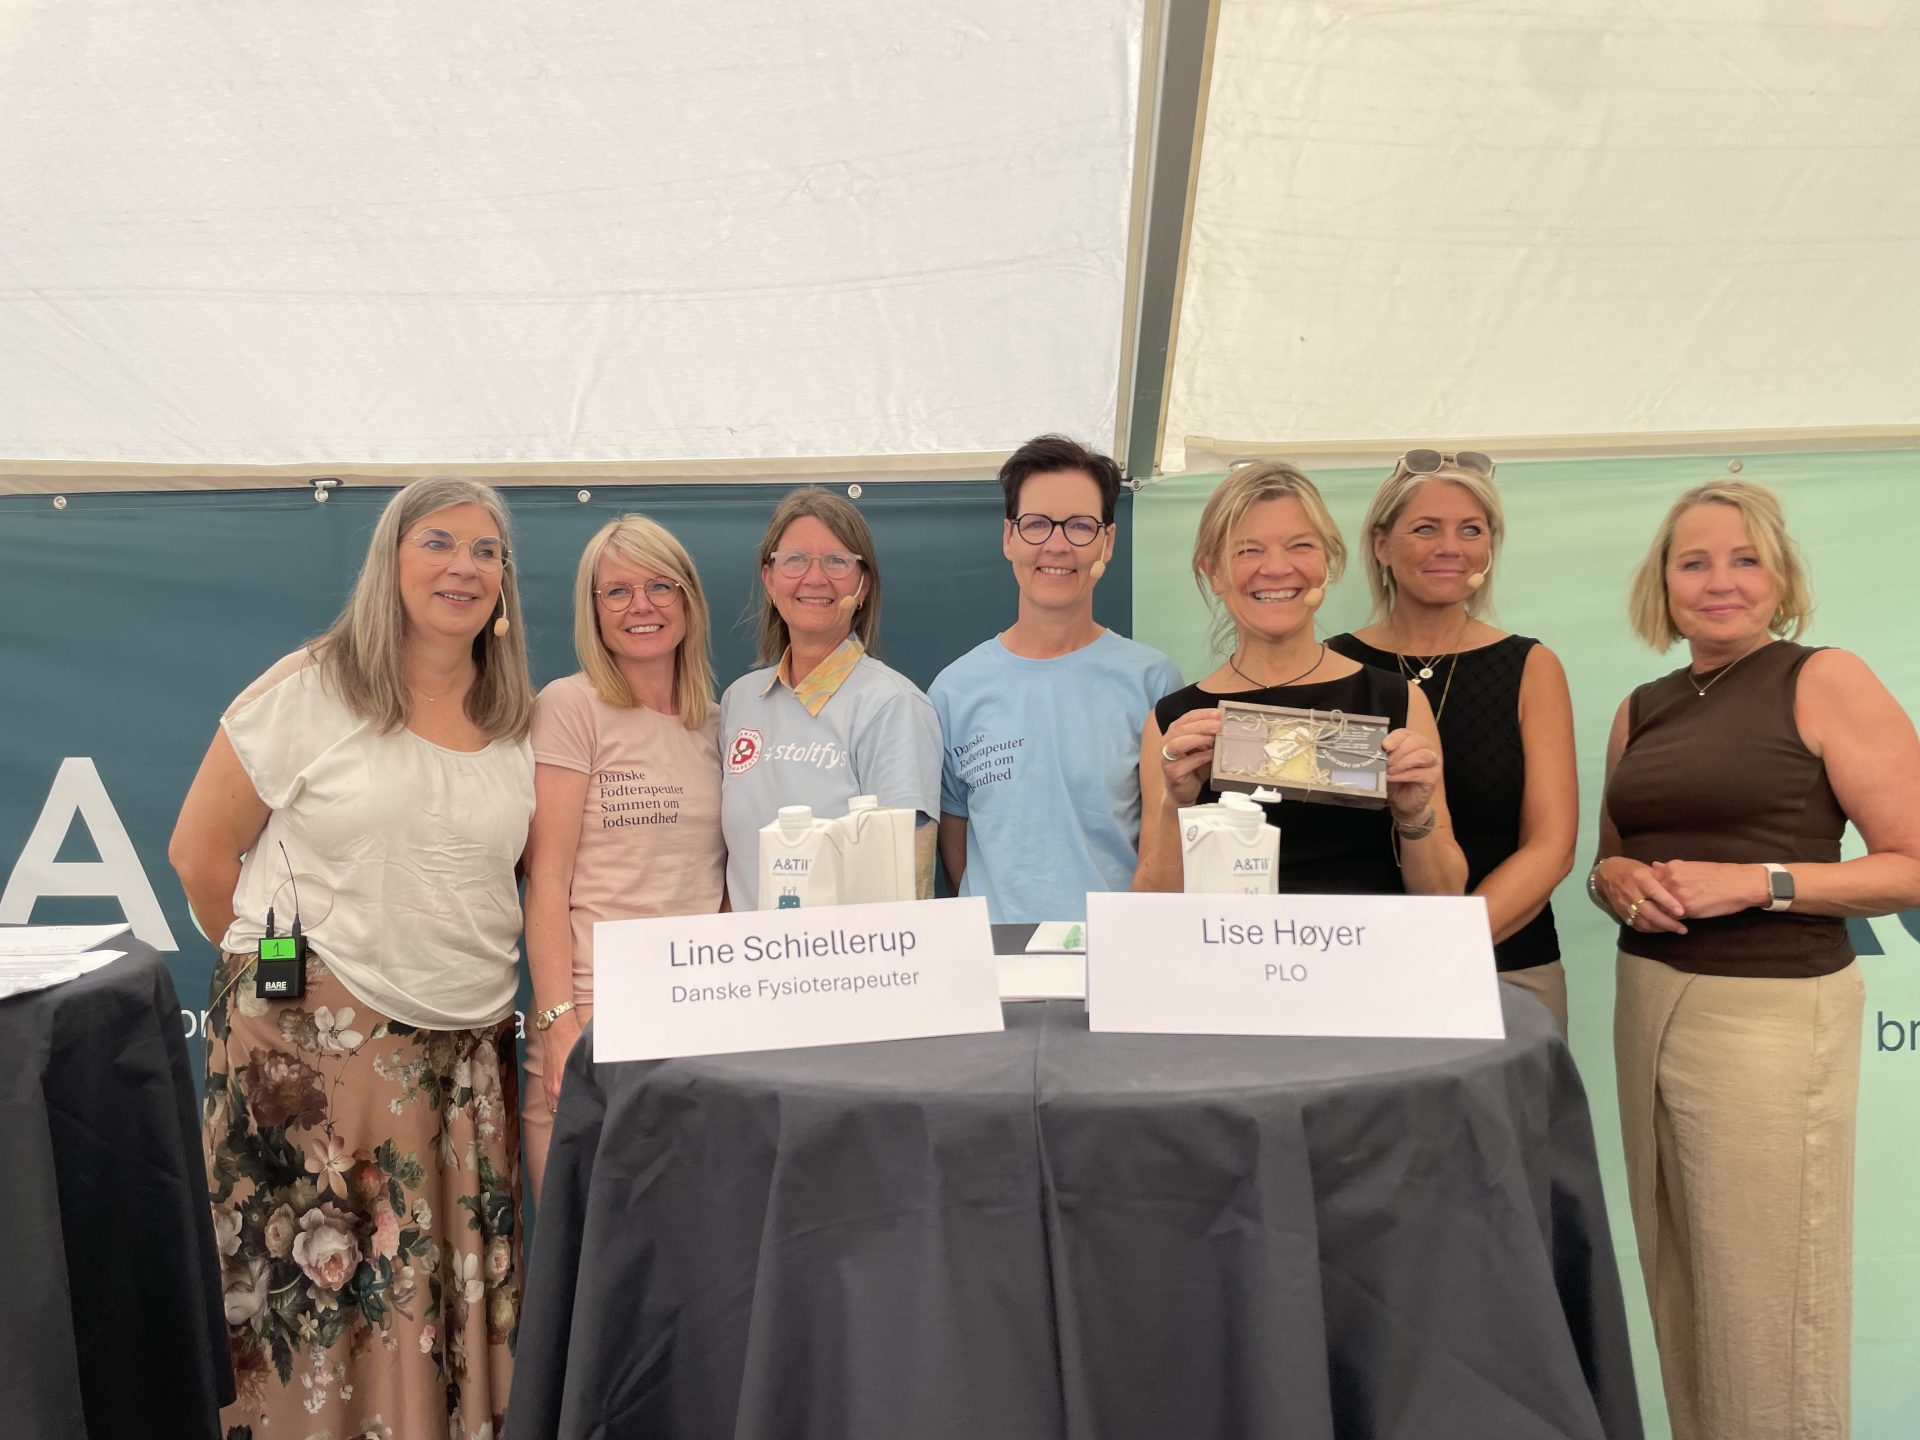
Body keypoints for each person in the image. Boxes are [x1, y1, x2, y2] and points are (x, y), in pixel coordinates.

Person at [169, 477, 536, 1439]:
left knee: (426, 1305)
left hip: (463, 1061)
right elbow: (201, 856)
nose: (463, 566)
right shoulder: (311, 688)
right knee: (316, 1318)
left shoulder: (519, 719)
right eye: (438, 542)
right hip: (313, 1066)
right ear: (390, 561)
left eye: (486, 551)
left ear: (505, 581)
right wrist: (292, 1001)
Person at [1591, 479, 1920, 1440]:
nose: (1720, 581)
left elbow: (1911, 865)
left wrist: (1759, 883)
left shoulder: (1823, 678)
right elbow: (1614, 858)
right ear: (1663, 583)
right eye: (1694, 562)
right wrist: (1613, 878)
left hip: (1770, 1014)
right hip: (1647, 1000)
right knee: (1683, 1280)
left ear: (1781, 578)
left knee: (1769, 1299)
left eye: (1745, 560)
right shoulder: (1642, 706)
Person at [1327, 449, 1577, 1031]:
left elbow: (1551, 845)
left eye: (1472, 530)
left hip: (1507, 967)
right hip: (1358, 971)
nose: (1450, 547)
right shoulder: (1332, 664)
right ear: (1382, 545)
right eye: (1425, 528)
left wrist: (1451, 946)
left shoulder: (1532, 667)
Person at [1136, 460, 1467, 897]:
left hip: (1358, 940)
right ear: (1212, 572)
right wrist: (1175, 806)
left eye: (1300, 546)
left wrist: (1415, 818)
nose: (1276, 568)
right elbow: (1151, 908)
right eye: (1248, 550)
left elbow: (1446, 898)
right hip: (1229, 941)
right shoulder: (1174, 724)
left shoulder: (1396, 700)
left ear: (1327, 562)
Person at [520, 515, 725, 1203]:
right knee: (586, 1250)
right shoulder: (570, 706)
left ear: (688, 599)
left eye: (660, 586)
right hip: (595, 1022)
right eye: (618, 591)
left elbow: (720, 884)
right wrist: (560, 1026)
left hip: (698, 1022)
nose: (642, 605)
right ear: (594, 610)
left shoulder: (717, 724)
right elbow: (546, 881)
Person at [930, 434, 1183, 922]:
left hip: (1111, 953)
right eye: (1037, 524)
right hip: (995, 957)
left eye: (1081, 526)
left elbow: (1164, 846)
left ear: (1108, 541)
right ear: (1009, 537)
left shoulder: (1152, 681)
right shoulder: (953, 691)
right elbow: (955, 847)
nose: (1057, 545)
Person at [718, 486, 942, 909]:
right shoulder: (739, 702)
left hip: (846, 952)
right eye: (795, 559)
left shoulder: (892, 706)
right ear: (769, 579)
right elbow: (732, 869)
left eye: (837, 561)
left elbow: (907, 885)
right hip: (746, 951)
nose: (815, 577)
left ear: (863, 585)